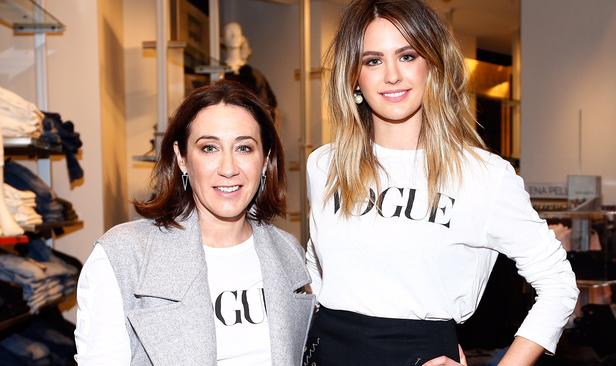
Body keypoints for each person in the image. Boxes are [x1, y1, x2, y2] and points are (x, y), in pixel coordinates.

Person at [304, 1, 579, 365]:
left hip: (421, 353)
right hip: (328, 352)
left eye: (407, 56)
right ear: (354, 77)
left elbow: (558, 283)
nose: (392, 75)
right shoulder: (324, 164)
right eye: (373, 60)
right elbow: (318, 268)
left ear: (432, 65)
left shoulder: (483, 175)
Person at [74, 80, 316, 365]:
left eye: (244, 148)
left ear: (265, 160)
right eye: (209, 148)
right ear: (182, 158)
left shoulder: (288, 253)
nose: (228, 169)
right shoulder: (123, 256)